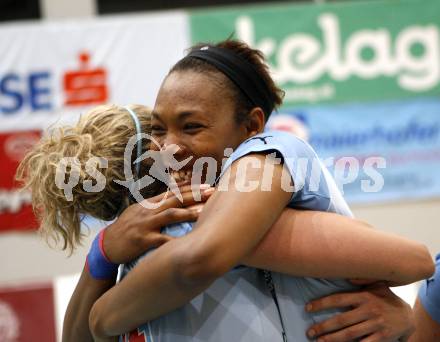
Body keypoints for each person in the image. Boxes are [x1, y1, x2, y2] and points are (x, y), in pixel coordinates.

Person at [18, 48, 432, 341]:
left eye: (191, 126)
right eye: (158, 130)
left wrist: (101, 312)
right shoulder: (144, 253)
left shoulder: (271, 157)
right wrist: (104, 255)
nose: (169, 147)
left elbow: (413, 261)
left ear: (252, 125)